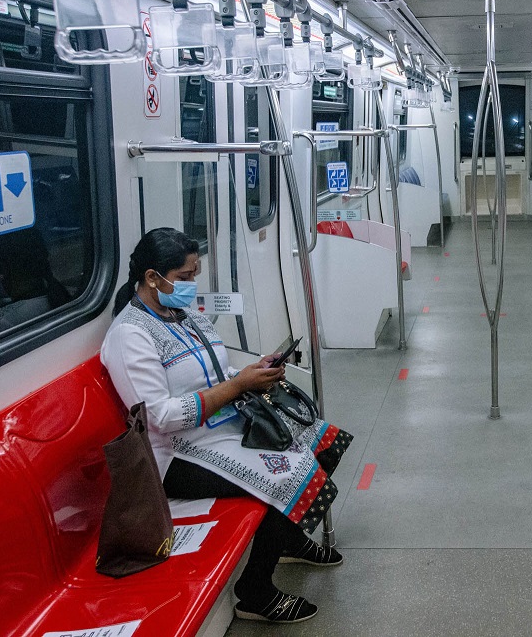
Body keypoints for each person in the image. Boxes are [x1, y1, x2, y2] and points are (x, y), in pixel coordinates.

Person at [101, 228, 351, 624]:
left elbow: (217, 371)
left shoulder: (183, 317)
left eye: (193, 275)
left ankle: (288, 540)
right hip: (176, 454)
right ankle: (255, 591)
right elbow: (159, 418)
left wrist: (250, 372)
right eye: (184, 277)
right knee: (288, 477)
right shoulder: (129, 336)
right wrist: (237, 386)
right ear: (153, 278)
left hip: (224, 426)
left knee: (323, 442)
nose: (191, 285)